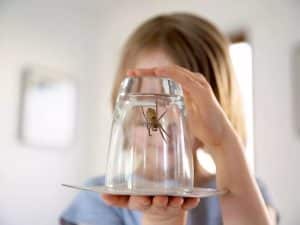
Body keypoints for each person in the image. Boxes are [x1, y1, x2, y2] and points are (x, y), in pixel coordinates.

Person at [60, 13, 279, 225]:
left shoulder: (247, 192)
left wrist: (223, 142)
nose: (167, 125)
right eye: (146, 103)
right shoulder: (96, 201)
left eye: (184, 105)